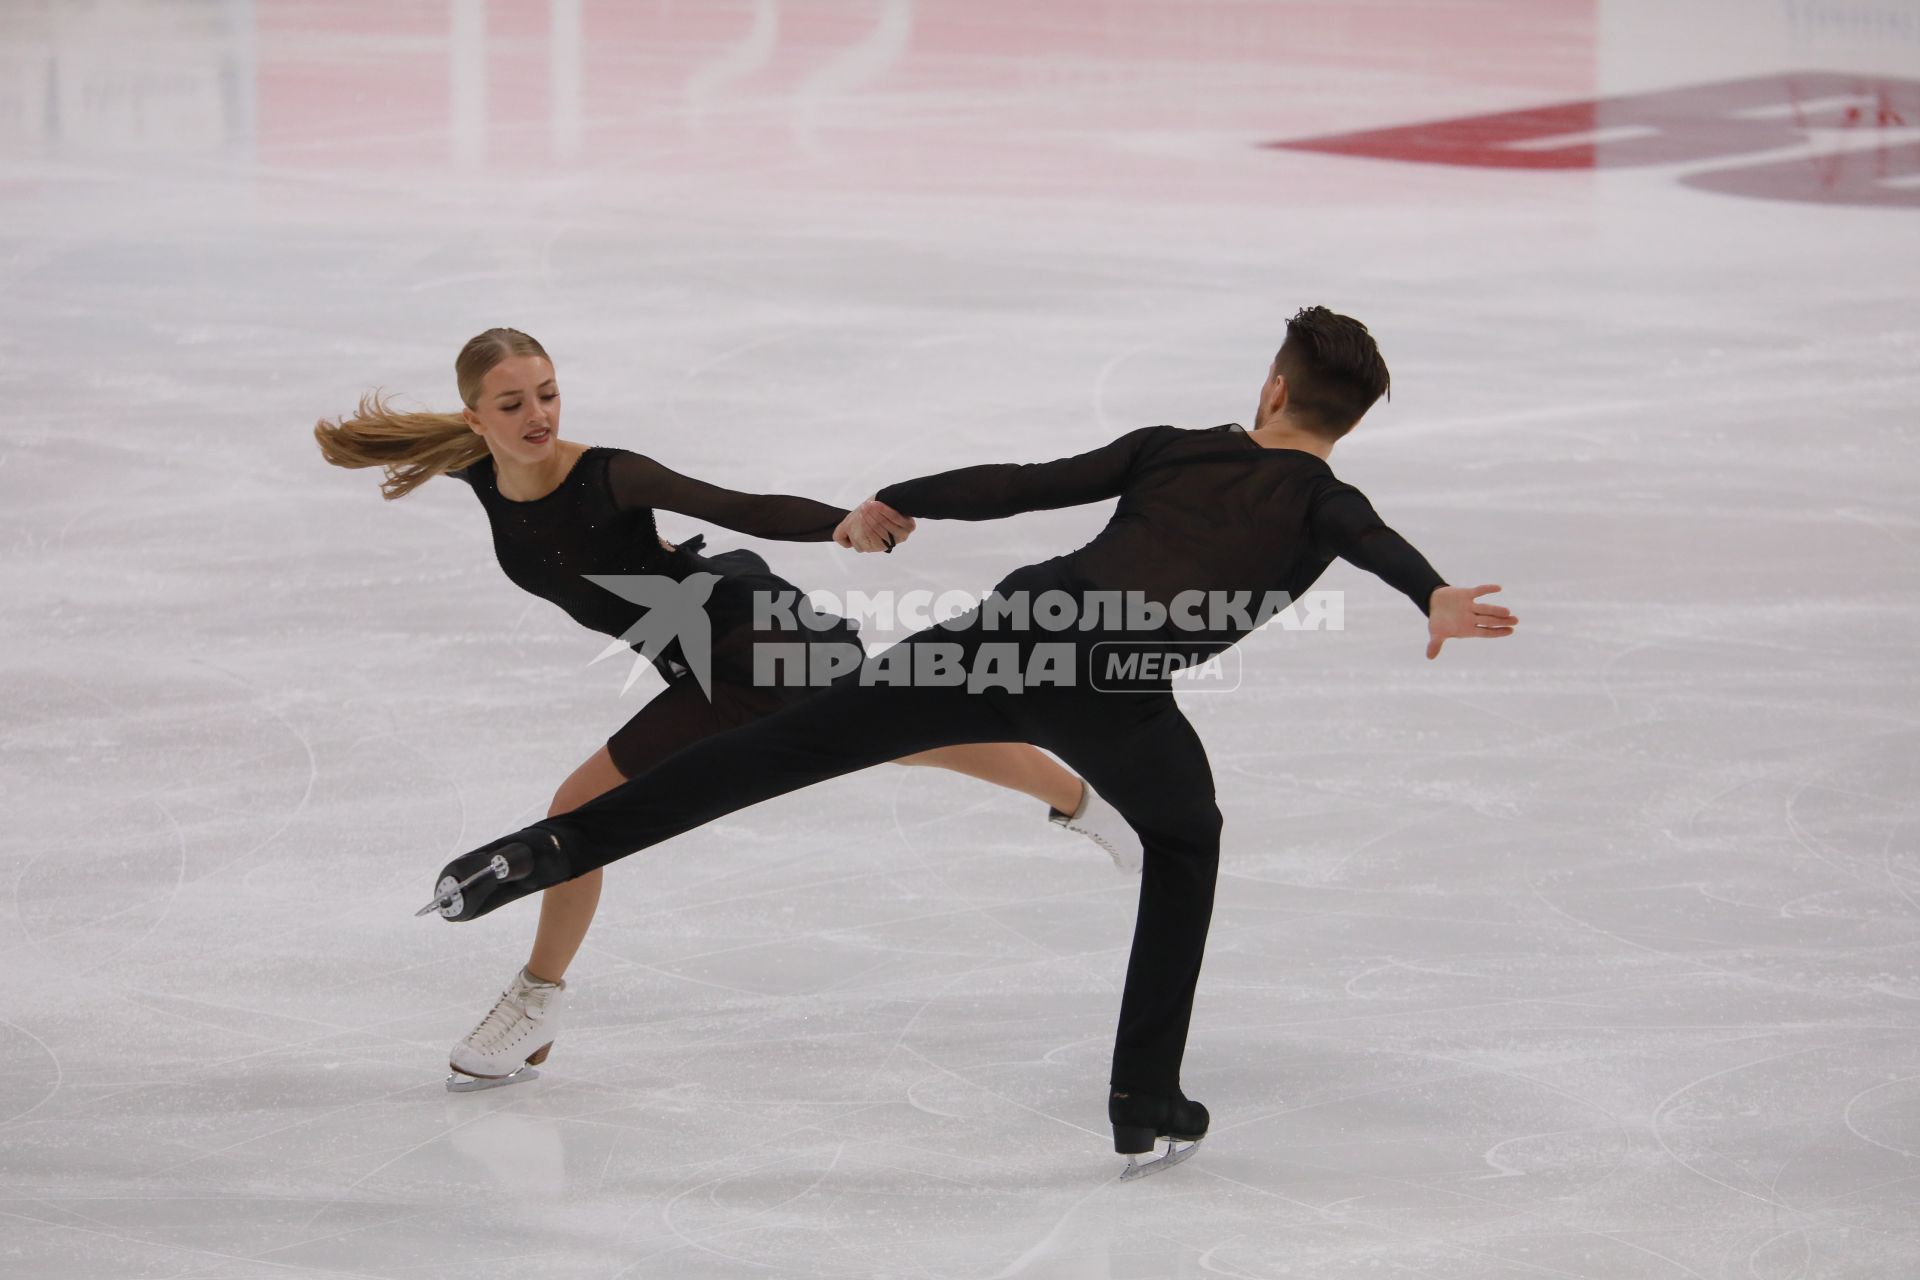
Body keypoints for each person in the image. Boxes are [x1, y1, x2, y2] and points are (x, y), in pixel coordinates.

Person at [419, 307, 1520, 1171]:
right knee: (1186, 841)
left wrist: (901, 496)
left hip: (1008, 631)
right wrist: (1430, 594)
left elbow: (1026, 486)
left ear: (1271, 389)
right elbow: (1367, 537)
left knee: (793, 741)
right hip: (1117, 689)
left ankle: (555, 847)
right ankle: (1145, 1094)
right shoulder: (1328, 500)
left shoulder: (1171, 447)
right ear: (1343, 421)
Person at [313, 327, 1140, 1089]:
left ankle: (535, 1003)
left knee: (583, 811)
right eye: (514, 403)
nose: (538, 415)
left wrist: (839, 525)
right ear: (475, 416)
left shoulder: (609, 473)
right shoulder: (478, 469)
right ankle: (1091, 803)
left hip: (753, 643)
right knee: (910, 733)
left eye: (549, 393)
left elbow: (736, 506)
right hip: (701, 656)